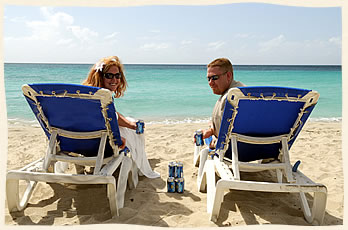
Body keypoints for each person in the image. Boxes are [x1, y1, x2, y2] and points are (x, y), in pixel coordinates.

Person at [83, 55, 160, 178]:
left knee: (130, 123)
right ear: (99, 76)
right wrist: (119, 138)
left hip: (83, 141)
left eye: (117, 75)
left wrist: (129, 124)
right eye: (109, 75)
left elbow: (109, 115)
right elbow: (109, 118)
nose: (114, 79)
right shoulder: (101, 96)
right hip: (98, 145)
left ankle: (138, 155)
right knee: (132, 130)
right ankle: (138, 162)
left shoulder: (85, 95)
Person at [196, 58, 245, 175]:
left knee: (200, 134)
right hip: (257, 149)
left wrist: (216, 141)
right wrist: (212, 130)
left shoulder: (230, 98)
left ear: (228, 76)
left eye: (214, 78)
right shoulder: (246, 94)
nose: (210, 83)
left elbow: (227, 139)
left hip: (233, 152)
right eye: (208, 79)